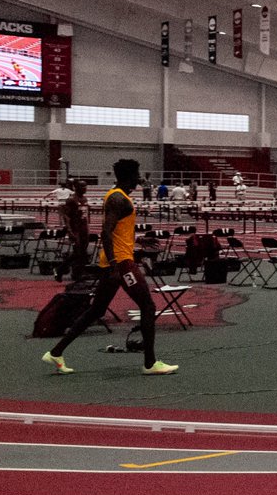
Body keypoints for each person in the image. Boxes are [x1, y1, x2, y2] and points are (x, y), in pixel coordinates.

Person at [41, 159, 179, 376]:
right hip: (121, 262)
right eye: (137, 175)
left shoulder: (119, 197)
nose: (139, 178)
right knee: (148, 306)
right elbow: (106, 232)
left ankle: (56, 352)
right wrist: (116, 265)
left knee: (96, 309)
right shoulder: (117, 199)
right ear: (128, 177)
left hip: (117, 259)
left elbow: (117, 231)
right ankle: (150, 363)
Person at [56, 179, 90, 281]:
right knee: (77, 252)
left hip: (83, 228)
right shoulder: (71, 200)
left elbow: (84, 215)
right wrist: (69, 231)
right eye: (82, 187)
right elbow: (65, 215)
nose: (85, 189)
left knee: (83, 252)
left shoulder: (84, 199)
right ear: (76, 188)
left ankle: (78, 273)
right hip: (75, 229)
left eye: (85, 186)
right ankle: (60, 269)